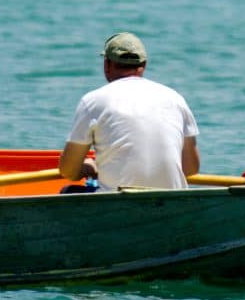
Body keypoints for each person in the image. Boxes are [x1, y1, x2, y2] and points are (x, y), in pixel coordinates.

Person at [59, 32, 200, 191]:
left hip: (117, 204)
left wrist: (87, 167)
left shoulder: (92, 101)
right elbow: (191, 168)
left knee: (68, 191)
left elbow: (68, 171)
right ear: (144, 65)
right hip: (172, 201)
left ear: (106, 65)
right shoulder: (176, 99)